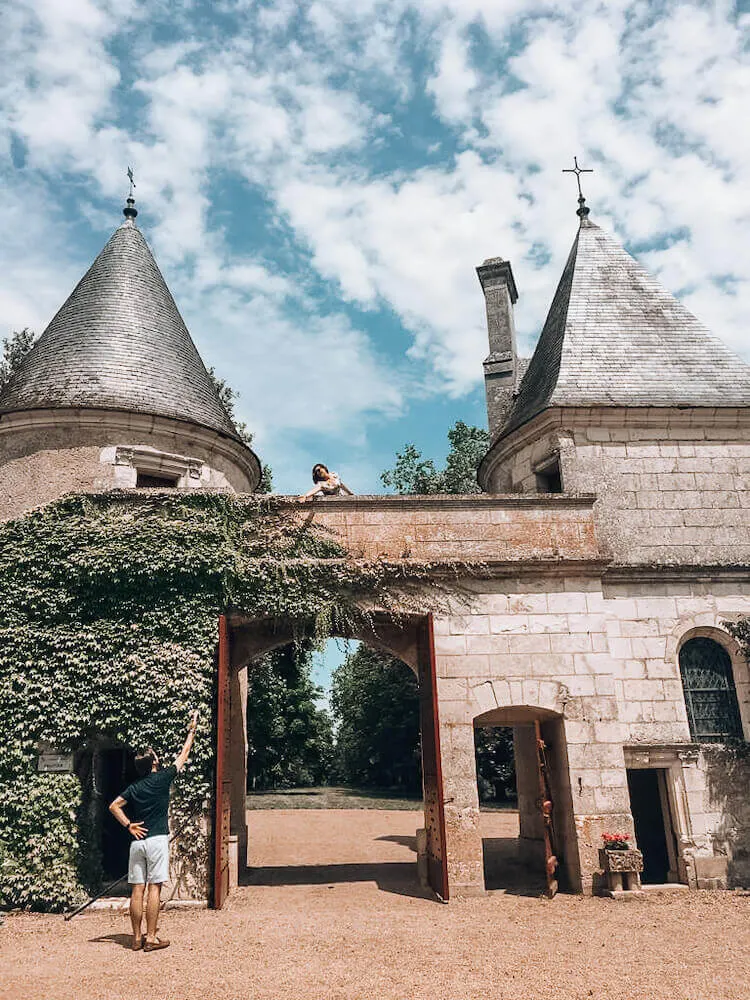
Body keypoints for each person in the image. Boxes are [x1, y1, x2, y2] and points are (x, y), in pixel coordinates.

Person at [109, 711, 198, 952]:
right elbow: (184, 755)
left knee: (137, 889)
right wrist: (191, 731)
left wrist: (128, 825)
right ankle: (151, 938)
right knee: (154, 888)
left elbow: (113, 806)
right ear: (154, 763)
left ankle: (136, 938)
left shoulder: (134, 787)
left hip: (137, 842)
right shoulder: (162, 779)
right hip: (157, 839)